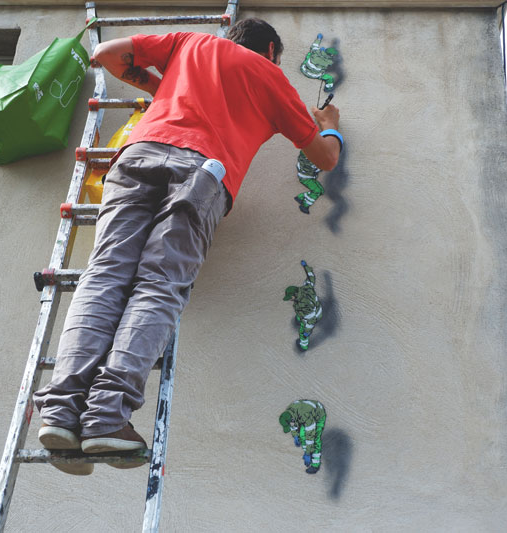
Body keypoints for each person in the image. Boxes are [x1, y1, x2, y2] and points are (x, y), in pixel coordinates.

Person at [32, 18, 343, 475]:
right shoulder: (270, 77)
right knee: (158, 285)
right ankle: (105, 416)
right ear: (272, 50)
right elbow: (325, 158)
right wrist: (330, 125)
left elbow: (106, 54)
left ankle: (60, 411)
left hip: (137, 156)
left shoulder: (191, 43)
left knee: (103, 276)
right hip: (200, 174)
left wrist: (163, 90)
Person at [283, 260, 322, 350]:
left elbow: (311, 319)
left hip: (312, 315)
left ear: (294, 295)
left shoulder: (303, 305)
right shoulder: (307, 287)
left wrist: (307, 331)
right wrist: (306, 267)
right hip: (318, 308)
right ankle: (299, 318)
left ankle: (303, 345)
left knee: (302, 332)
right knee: (301, 314)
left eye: (290, 297)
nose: (290, 299)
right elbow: (311, 276)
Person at [279, 399, 326, 474]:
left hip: (318, 415)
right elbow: (293, 425)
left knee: (315, 439)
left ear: (292, 419)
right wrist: (295, 436)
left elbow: (310, 437)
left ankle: (315, 465)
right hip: (304, 414)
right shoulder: (289, 412)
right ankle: (308, 451)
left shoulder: (305, 415)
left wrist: (307, 453)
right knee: (301, 435)